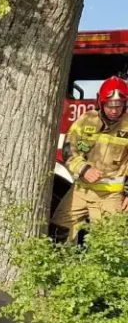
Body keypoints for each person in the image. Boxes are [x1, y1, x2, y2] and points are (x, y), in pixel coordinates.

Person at [51, 76, 128, 241]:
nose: (114, 110)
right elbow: (67, 150)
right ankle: (63, 265)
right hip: (81, 191)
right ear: (101, 102)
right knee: (59, 230)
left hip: (110, 197)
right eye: (110, 106)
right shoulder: (86, 119)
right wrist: (84, 169)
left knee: (108, 243)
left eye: (119, 106)